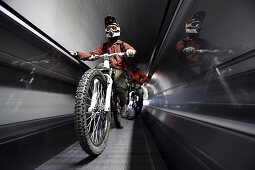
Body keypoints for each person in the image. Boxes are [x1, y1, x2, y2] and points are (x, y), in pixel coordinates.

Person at [70, 16, 136, 122]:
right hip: (107, 68)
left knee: (119, 87)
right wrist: (78, 54)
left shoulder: (122, 44)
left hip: (119, 70)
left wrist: (130, 52)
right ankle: (97, 89)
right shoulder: (104, 46)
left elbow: (131, 49)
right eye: (108, 29)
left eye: (113, 29)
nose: (110, 31)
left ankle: (123, 105)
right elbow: (92, 54)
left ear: (118, 29)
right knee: (98, 67)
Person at [176, 11, 214, 78]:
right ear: (188, 26)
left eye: (199, 24)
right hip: (187, 70)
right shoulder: (183, 42)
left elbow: (214, 47)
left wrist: (230, 50)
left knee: (210, 63)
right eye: (195, 24)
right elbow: (180, 49)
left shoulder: (203, 41)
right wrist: (186, 50)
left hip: (199, 68)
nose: (198, 26)